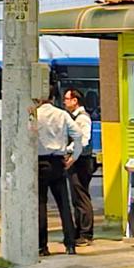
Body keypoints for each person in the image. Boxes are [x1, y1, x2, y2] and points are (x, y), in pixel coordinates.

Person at [36, 91, 82, 256]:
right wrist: (73, 155)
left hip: (39, 163)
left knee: (40, 205)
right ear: (53, 98)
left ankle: (42, 247)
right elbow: (78, 134)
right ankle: (70, 245)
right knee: (64, 205)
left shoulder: (35, 115)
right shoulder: (62, 114)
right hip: (58, 162)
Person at [63, 88, 95, 246]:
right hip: (77, 160)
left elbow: (83, 140)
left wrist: (68, 150)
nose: (65, 102)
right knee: (76, 196)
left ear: (75, 101)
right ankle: (79, 230)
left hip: (81, 161)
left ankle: (85, 233)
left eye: (67, 99)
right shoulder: (74, 117)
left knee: (81, 196)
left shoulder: (83, 118)